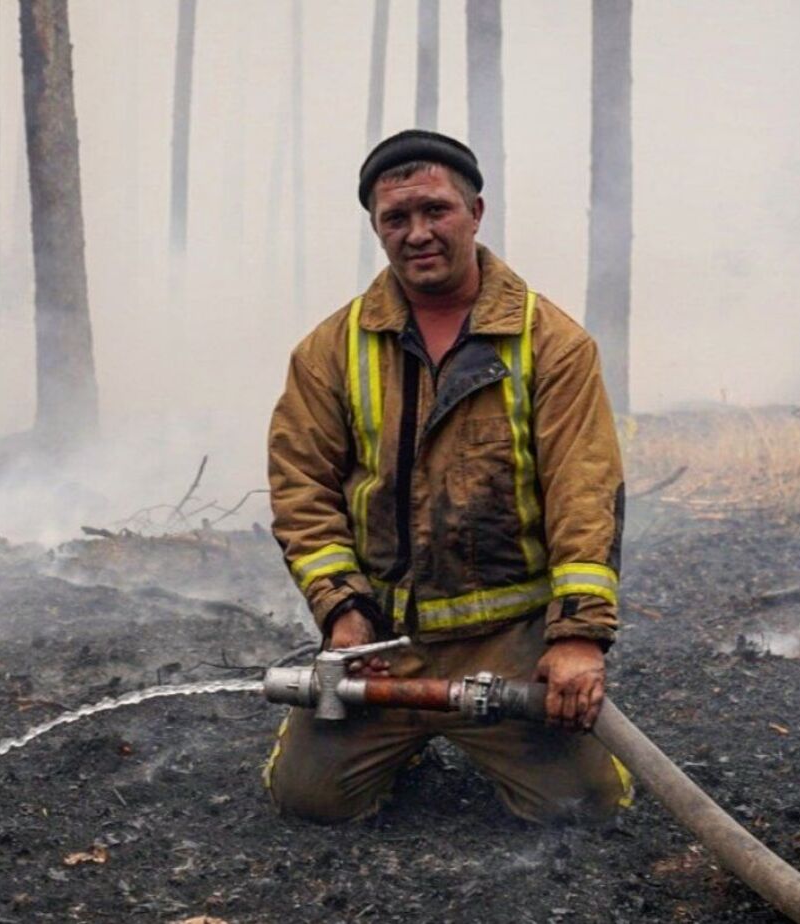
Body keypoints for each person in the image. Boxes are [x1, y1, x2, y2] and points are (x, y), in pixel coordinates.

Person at [263, 129, 632, 823]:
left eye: (436, 210)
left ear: (476, 212)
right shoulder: (329, 353)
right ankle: (397, 744)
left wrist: (577, 637)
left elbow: (585, 498)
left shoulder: (553, 344)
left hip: (510, 647)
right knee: (306, 803)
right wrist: (342, 611)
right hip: (382, 648)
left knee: (587, 810)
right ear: (377, 228)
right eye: (395, 219)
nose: (418, 233)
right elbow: (300, 490)